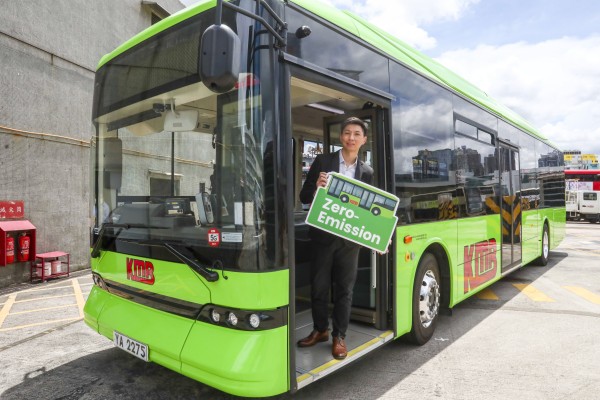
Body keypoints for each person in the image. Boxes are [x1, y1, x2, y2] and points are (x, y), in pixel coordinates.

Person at [297, 116, 373, 360]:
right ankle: (320, 330)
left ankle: (339, 336)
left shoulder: (367, 172)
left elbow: (369, 210)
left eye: (356, 134)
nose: (351, 138)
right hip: (322, 236)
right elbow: (304, 196)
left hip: (350, 241)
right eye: (347, 133)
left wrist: (379, 237)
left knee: (344, 290)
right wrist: (316, 187)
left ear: (364, 140)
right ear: (341, 136)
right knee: (318, 287)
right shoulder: (323, 161)